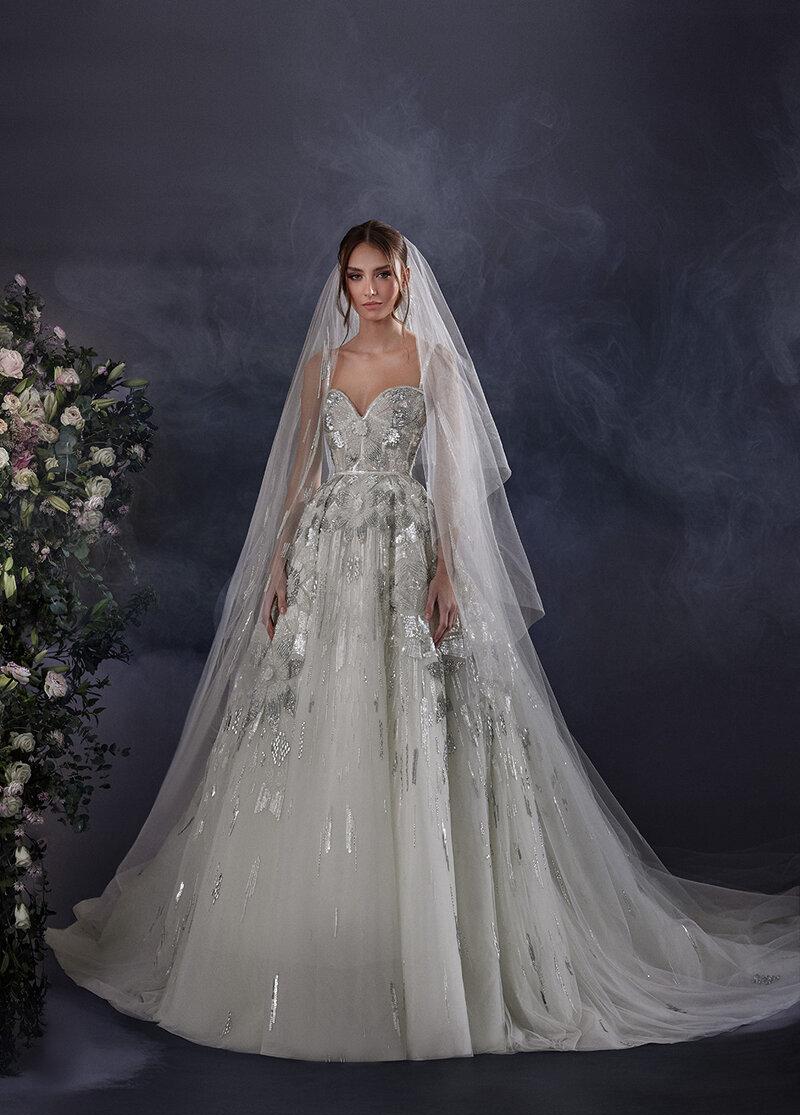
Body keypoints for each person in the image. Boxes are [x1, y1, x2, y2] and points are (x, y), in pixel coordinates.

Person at [45, 221, 800, 1061]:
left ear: (405, 278)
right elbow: (302, 474)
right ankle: (315, 929)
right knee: (311, 720)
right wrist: (278, 563)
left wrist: (448, 571)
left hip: (405, 553)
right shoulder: (320, 368)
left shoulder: (432, 361)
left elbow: (453, 480)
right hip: (326, 554)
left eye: (383, 274)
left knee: (412, 717)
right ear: (342, 283)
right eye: (356, 275)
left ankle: (426, 930)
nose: (370, 289)